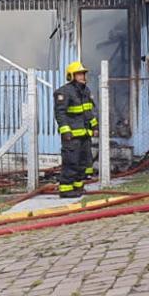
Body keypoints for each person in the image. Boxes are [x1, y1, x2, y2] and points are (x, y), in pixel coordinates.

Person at [54, 61, 98, 198]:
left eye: (83, 74)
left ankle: (78, 187)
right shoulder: (64, 92)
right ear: (71, 76)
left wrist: (95, 125)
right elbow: (60, 113)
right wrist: (65, 131)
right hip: (71, 136)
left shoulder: (86, 91)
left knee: (83, 162)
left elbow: (89, 111)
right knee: (71, 161)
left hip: (85, 134)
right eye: (79, 74)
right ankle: (66, 189)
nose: (82, 76)